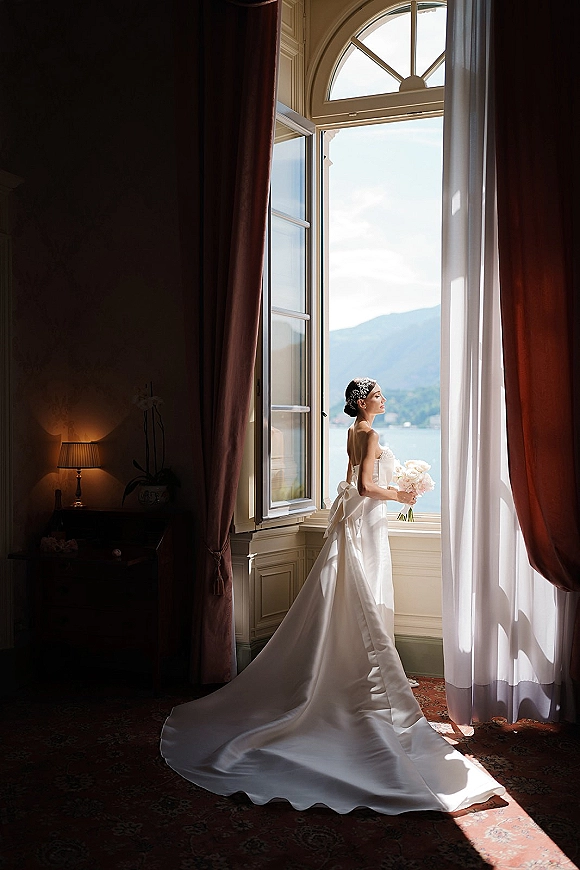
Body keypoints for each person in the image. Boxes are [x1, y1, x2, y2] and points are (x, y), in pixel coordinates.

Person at [160, 378, 505, 814]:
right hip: (363, 520)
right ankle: (358, 678)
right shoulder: (370, 433)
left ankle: (345, 669)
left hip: (357, 523)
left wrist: (393, 492)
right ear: (363, 402)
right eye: (379, 394)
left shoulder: (352, 431)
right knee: (359, 600)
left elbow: (350, 482)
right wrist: (401, 493)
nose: (385, 398)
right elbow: (363, 486)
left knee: (347, 599)